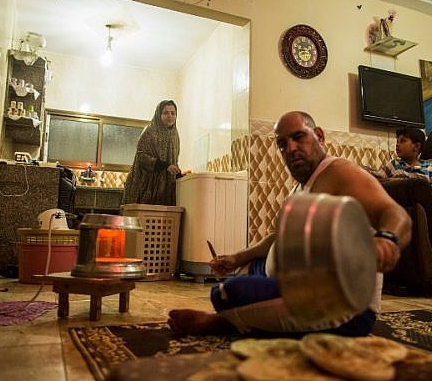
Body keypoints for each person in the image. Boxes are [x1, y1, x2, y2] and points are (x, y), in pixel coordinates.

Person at [167, 111, 412, 336]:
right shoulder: (298, 189)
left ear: (319, 136)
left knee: (227, 293)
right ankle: (255, 318)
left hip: (344, 306)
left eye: (298, 137)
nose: (291, 148)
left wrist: (388, 239)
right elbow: (278, 237)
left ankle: (220, 323)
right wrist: (238, 258)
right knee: (251, 268)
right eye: (283, 144)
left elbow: (395, 214)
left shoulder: (339, 172)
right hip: (297, 285)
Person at [123, 100, 181, 206]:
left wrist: (177, 172)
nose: (170, 116)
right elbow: (141, 157)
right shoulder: (150, 131)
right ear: (159, 114)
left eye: (173, 113)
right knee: (143, 219)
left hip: (165, 187)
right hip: (146, 185)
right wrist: (165, 166)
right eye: (166, 113)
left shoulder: (175, 135)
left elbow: (173, 159)